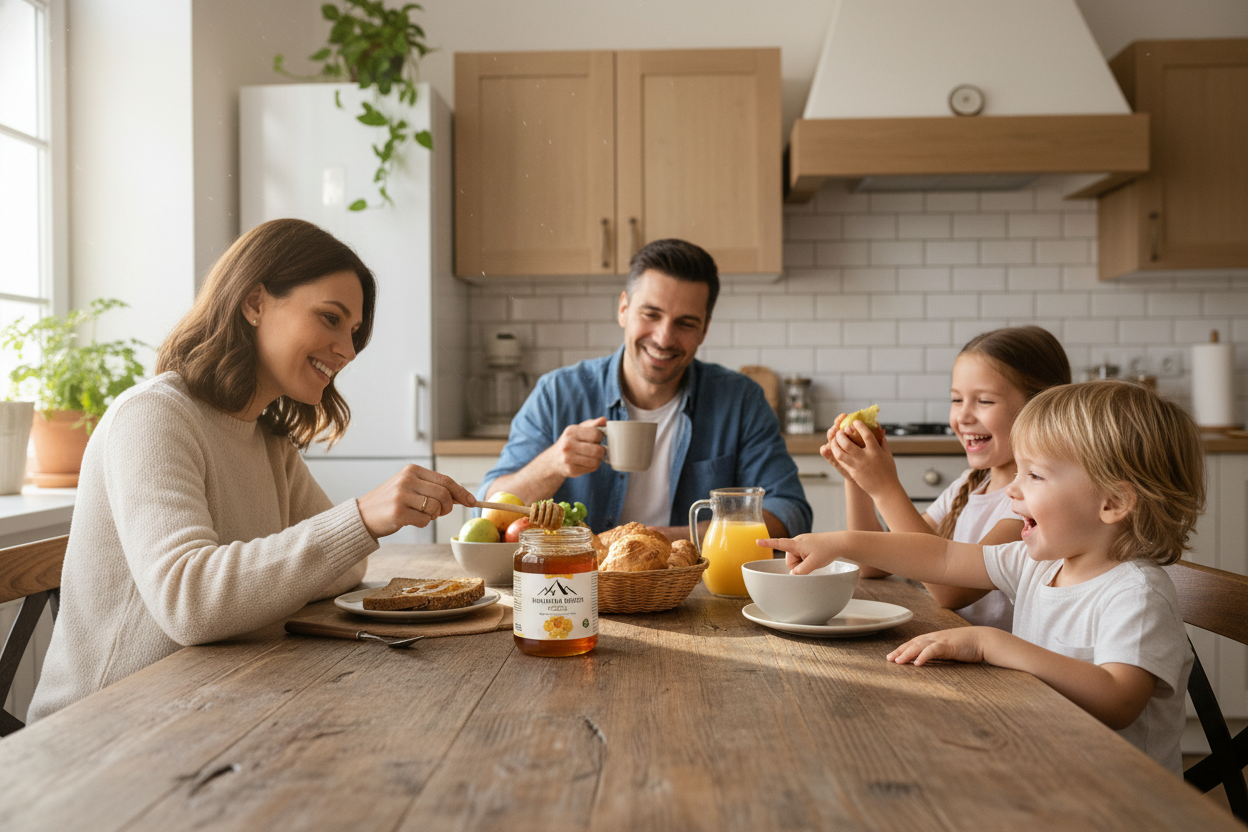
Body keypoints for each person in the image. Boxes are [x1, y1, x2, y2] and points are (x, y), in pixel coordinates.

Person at [28, 218, 475, 722]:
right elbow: (188, 600)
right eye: (330, 318)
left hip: (207, 706)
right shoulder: (153, 416)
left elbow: (347, 568)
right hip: (102, 734)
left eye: (353, 333)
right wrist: (363, 518)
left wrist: (341, 537)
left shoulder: (265, 439)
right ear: (254, 302)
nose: (348, 351)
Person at [765, 380, 1201, 774]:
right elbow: (943, 557)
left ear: (1113, 502)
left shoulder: (1136, 593)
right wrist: (843, 542)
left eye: (1034, 475)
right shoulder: (1039, 563)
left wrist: (991, 643)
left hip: (1122, 801)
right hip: (1046, 769)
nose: (1013, 488)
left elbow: (1117, 700)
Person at [480, 238, 810, 542]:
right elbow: (487, 514)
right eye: (651, 314)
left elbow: (790, 513)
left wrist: (679, 536)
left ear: (705, 329)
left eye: (685, 323)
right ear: (624, 308)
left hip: (690, 590)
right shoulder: (558, 393)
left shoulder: (740, 401)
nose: (664, 338)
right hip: (573, 588)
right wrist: (552, 464)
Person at [825, 326, 1071, 630]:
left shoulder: (1033, 502)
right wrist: (857, 478)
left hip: (1000, 674)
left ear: (1038, 406)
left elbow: (948, 590)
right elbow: (872, 563)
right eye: (956, 400)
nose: (963, 417)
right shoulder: (969, 485)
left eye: (984, 401)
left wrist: (884, 487)